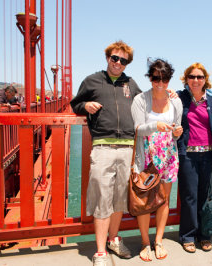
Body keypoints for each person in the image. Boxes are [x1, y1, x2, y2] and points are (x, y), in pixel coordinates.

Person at [70, 41, 141, 266]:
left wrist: (168, 94)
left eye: (123, 60)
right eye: (114, 58)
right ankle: (100, 251)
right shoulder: (92, 80)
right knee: (102, 198)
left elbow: (145, 104)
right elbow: (75, 104)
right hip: (102, 148)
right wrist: (86, 106)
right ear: (107, 57)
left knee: (119, 200)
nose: (118, 63)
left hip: (128, 147)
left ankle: (113, 240)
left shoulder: (131, 84)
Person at [131, 59, 183, 262]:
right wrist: (155, 126)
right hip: (146, 156)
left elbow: (176, 131)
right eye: (155, 78)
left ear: (169, 79)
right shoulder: (140, 100)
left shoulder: (176, 101)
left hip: (169, 156)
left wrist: (177, 131)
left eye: (164, 79)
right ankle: (145, 242)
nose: (160, 83)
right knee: (145, 200)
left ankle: (158, 240)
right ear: (150, 78)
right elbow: (137, 129)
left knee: (163, 200)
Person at [177, 63, 212, 253]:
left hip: (208, 155)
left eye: (200, 77)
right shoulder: (179, 99)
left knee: (204, 197)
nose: (196, 80)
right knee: (189, 197)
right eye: (192, 76)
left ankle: (204, 235)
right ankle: (188, 236)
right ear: (186, 79)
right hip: (187, 155)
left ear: (205, 80)